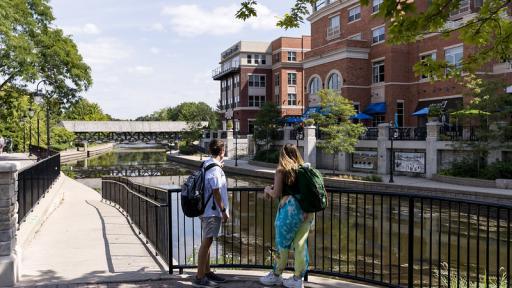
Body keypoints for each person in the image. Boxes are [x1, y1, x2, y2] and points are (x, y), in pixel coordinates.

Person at [259, 144, 315, 288]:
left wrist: (267, 190)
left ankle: (276, 275)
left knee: (282, 244)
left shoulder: (282, 170)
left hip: (290, 211)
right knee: (301, 245)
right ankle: (298, 279)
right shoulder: (305, 169)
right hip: (307, 211)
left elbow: (276, 193)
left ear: (282, 154)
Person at [193, 139, 230, 288]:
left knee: (207, 241)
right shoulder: (214, 169)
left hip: (205, 209)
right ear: (222, 151)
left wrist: (219, 167)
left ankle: (207, 272)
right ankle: (200, 277)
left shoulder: (208, 163)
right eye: (224, 149)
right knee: (207, 242)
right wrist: (223, 210)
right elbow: (216, 191)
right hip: (212, 211)